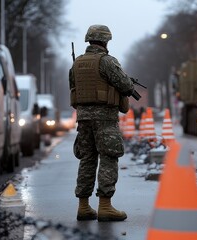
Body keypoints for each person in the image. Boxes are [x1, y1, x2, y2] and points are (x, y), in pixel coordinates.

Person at [69, 24, 134, 222]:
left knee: (87, 158)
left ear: (89, 40)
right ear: (106, 41)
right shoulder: (107, 62)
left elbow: (73, 89)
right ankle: (105, 206)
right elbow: (126, 85)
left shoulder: (77, 63)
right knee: (108, 157)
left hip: (83, 118)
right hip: (105, 118)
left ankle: (84, 207)